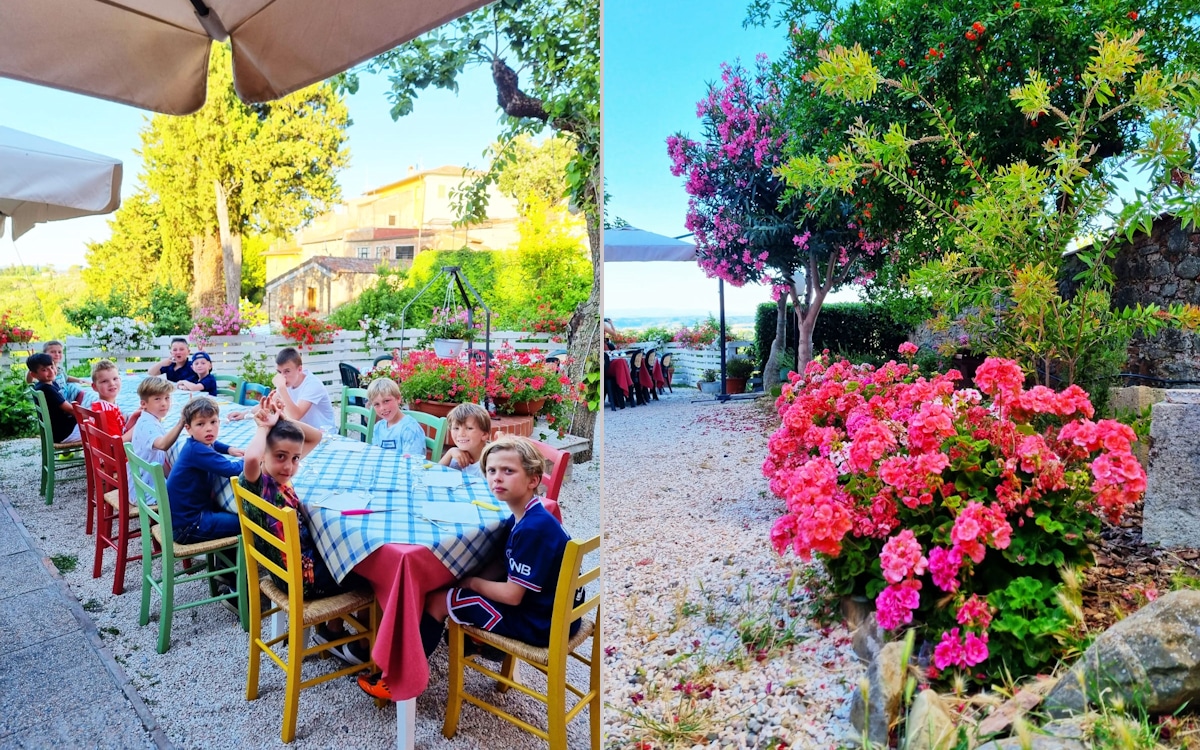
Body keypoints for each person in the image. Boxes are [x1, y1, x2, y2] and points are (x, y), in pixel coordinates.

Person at [358, 435, 580, 701]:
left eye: (508, 471)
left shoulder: (532, 529)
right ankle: (476, 642)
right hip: (555, 612)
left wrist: (471, 583)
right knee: (457, 588)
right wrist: (464, 581)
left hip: (540, 624)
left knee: (437, 600)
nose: (497, 478)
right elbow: (501, 562)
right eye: (492, 470)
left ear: (533, 480)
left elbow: (512, 595)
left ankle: (398, 682)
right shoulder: (528, 515)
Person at [239, 395, 369, 664]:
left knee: (339, 552)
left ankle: (331, 631)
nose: (289, 466)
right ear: (264, 455)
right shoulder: (258, 483)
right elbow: (251, 456)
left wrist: (284, 420)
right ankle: (362, 647)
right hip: (303, 579)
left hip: (286, 571)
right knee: (369, 571)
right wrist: (263, 427)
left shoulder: (276, 477)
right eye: (280, 457)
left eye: (295, 458)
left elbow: (316, 437)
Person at [165, 396, 245, 544]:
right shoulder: (197, 451)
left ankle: (226, 555)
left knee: (230, 514)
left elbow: (214, 443)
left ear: (219, 422)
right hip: (189, 526)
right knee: (246, 523)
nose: (209, 428)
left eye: (213, 422)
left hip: (182, 518)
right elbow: (232, 469)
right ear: (188, 428)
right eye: (200, 424)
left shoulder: (197, 443)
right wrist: (252, 458)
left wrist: (229, 449)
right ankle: (234, 557)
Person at [230, 347, 335, 430]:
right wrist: (245, 414)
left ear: (299, 369)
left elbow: (294, 416)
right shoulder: (289, 382)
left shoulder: (312, 385)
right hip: (300, 433)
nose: (283, 376)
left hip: (324, 436)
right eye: (279, 372)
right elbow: (270, 403)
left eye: (287, 371)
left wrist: (281, 388)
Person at [128, 377, 186, 498]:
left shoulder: (150, 419)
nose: (164, 403)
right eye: (157, 399)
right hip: (146, 493)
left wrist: (172, 480)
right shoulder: (148, 425)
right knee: (193, 493)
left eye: (167, 398)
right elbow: (163, 445)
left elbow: (160, 461)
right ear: (143, 404)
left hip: (142, 485)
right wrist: (181, 423)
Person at [27, 352, 81, 443]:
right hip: (64, 433)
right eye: (44, 370)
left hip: (59, 430)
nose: (51, 372)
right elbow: (71, 410)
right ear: (34, 375)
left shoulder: (46, 384)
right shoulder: (47, 389)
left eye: (52, 367)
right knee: (99, 428)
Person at [366, 378, 426, 456]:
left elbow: (411, 460)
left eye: (386, 401)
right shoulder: (378, 427)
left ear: (398, 398)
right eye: (376, 404)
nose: (382, 408)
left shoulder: (410, 429)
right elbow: (376, 453)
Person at [89, 359, 140, 439]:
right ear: (95, 387)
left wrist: (134, 416)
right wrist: (139, 426)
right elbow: (117, 442)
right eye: (105, 381)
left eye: (115, 378)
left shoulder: (105, 405)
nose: (112, 384)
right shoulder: (106, 411)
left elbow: (121, 431)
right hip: (111, 447)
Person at [438, 402, 490, 480]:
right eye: (456, 428)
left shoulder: (491, 461)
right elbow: (436, 475)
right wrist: (450, 453)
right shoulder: (457, 454)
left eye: (469, 428)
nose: (461, 434)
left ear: (484, 434)